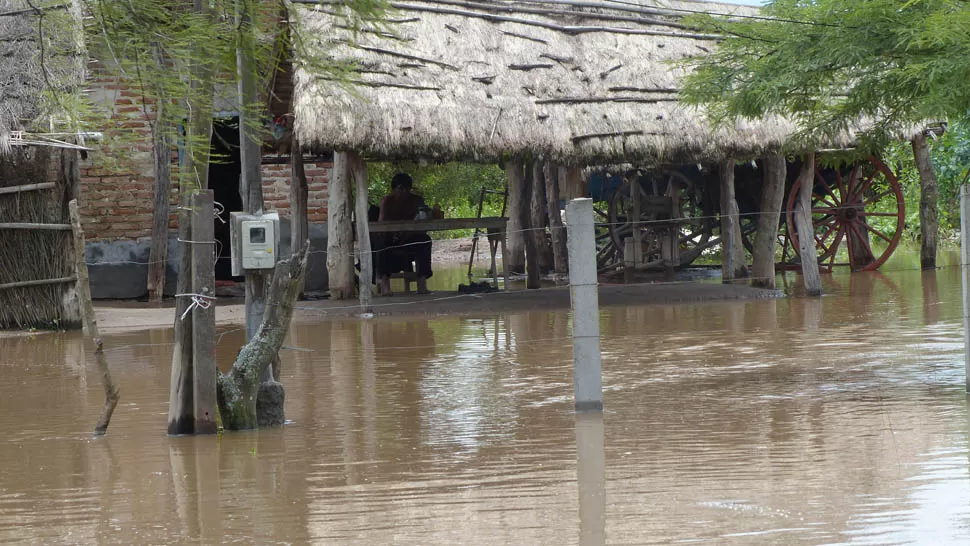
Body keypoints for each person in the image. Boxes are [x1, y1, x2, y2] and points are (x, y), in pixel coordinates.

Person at [376, 173, 433, 295]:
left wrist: (427, 215)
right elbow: (381, 225)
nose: (402, 192)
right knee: (381, 243)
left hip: (411, 238)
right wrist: (394, 233)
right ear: (394, 189)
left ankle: (421, 282)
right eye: (399, 189)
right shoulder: (387, 201)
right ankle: (385, 283)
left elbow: (423, 222)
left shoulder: (416, 200)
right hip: (390, 238)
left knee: (425, 240)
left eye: (406, 189)